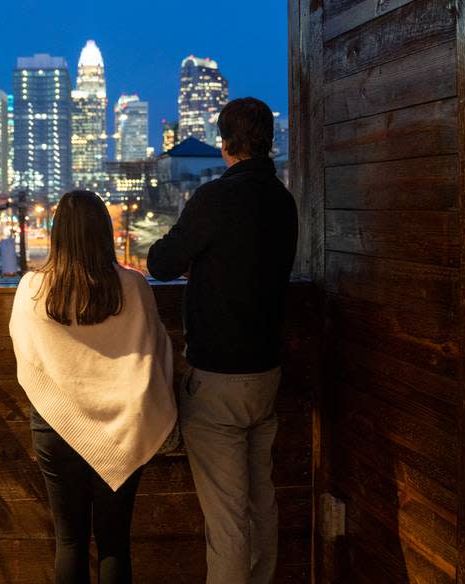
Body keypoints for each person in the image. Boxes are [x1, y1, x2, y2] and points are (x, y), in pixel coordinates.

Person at [147, 97, 298, 584]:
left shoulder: (215, 199)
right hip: (267, 372)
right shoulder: (282, 200)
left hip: (218, 377)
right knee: (262, 503)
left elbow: (160, 263)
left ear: (225, 142)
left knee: (228, 520)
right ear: (268, 141)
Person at [10, 190, 177, 584]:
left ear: (57, 235)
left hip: (55, 425)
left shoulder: (33, 288)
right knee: (115, 543)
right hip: (125, 428)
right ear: (104, 231)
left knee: (69, 542)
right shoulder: (134, 286)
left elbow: (26, 355)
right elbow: (156, 349)